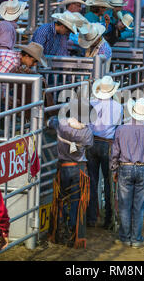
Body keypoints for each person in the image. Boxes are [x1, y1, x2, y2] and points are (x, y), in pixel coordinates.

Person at [110, 97, 144, 248]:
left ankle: (125, 237)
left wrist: (114, 169)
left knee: (125, 204)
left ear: (132, 112)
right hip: (143, 168)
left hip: (125, 167)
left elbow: (115, 152)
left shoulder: (121, 129)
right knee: (139, 205)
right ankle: (136, 238)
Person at [47, 97, 94, 248]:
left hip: (63, 167)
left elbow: (50, 121)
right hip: (79, 168)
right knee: (77, 202)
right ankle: (74, 235)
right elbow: (89, 144)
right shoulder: (87, 132)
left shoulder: (61, 125)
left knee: (60, 200)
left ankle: (58, 232)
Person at [86, 76, 123, 229]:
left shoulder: (91, 104)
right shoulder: (117, 106)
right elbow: (118, 126)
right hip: (108, 144)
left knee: (92, 181)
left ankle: (91, 217)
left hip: (92, 142)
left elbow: (87, 125)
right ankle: (108, 219)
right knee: (109, 182)